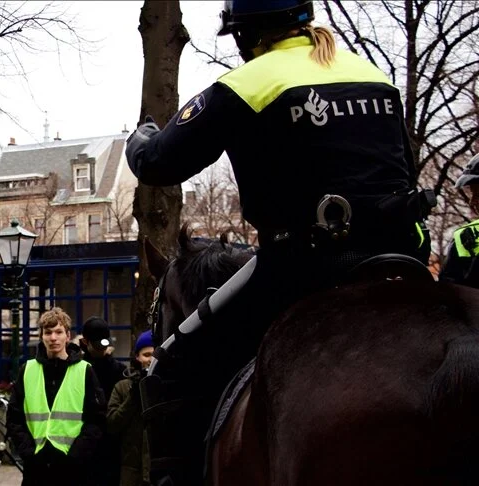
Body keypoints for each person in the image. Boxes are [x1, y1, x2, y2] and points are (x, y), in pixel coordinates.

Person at [124, 0, 435, 483]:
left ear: (244, 34)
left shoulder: (247, 84)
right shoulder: (376, 77)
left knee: (173, 359)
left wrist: (142, 135)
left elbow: (158, 163)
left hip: (304, 269)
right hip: (403, 259)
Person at [7, 307, 105, 486]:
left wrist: (76, 454)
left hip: (72, 468)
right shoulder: (27, 370)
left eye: (59, 332)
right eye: (48, 332)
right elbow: (14, 417)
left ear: (67, 336)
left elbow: (96, 420)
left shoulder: (84, 371)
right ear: (41, 336)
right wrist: (28, 451)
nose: (53, 338)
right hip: (36, 467)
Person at [79, 316, 125, 486]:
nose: (101, 349)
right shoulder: (77, 371)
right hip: (87, 445)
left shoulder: (119, 370)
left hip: (111, 445)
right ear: (85, 342)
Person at [107, 331, 155, 486]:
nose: (150, 360)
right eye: (146, 355)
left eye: (154, 355)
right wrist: (132, 397)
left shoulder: (166, 386)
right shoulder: (122, 387)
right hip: (131, 470)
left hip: (158, 468)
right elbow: (112, 424)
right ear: (137, 357)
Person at [439, 153, 478, 287]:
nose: (472, 202)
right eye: (473, 194)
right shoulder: (466, 236)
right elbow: (448, 295)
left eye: (478, 195)